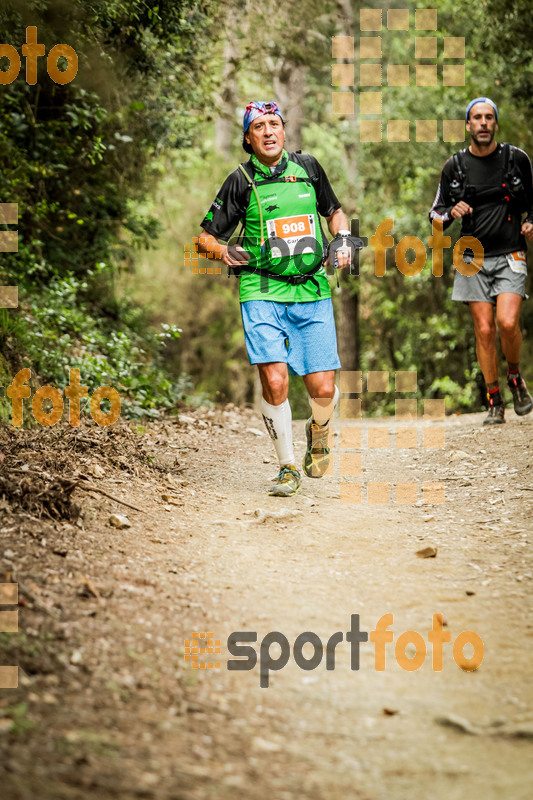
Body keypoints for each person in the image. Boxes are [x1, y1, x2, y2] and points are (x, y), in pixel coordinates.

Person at [198, 100, 357, 495]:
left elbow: (335, 212)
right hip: (261, 288)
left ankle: (318, 431)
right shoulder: (239, 181)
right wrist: (221, 252)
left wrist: (342, 238)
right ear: (248, 139)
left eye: (274, 124)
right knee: (275, 378)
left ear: (284, 131)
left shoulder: (309, 169)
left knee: (322, 389)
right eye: (259, 127)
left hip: (312, 286)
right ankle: (287, 467)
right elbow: (204, 238)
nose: (268, 132)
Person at [429, 97, 533, 425]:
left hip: (510, 252)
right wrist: (450, 212)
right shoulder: (454, 166)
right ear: (468, 125)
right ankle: (494, 399)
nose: (484, 123)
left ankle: (514, 377)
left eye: (489, 117)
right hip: (470, 255)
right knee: (484, 329)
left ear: (495, 124)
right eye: (477, 118)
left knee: (506, 322)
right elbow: (435, 214)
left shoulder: (516, 159)